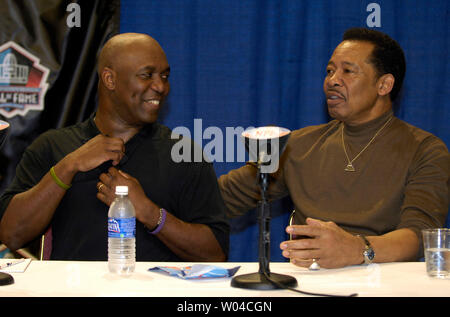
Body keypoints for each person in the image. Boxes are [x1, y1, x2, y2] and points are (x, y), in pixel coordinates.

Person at [219, 28, 449, 269]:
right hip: (306, 282)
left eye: (348, 71)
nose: (332, 80)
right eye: (330, 71)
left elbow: (419, 236)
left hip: (384, 283)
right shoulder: (298, 145)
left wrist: (357, 249)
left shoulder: (425, 150)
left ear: (384, 85)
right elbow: (222, 198)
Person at [0, 33, 229, 262]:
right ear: (109, 79)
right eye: (147, 75)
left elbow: (215, 253)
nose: (161, 86)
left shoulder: (184, 154)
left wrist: (150, 213)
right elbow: (12, 235)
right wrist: (68, 166)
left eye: (164, 76)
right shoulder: (53, 147)